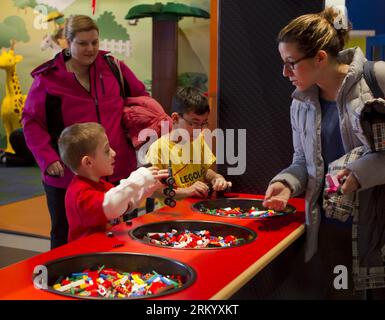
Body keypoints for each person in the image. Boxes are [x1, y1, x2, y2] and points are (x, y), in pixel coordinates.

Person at [262, 7, 385, 299]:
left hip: (376, 227)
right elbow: (303, 162)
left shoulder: (376, 78)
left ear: (319, 57)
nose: (285, 72)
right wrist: (286, 184)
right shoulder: (300, 102)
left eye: (292, 63)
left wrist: (359, 173)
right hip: (329, 230)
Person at [22, 15, 148, 249]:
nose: (90, 49)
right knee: (65, 238)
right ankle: (60, 283)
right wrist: (47, 158)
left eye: (94, 42)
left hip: (116, 168)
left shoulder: (113, 67)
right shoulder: (48, 79)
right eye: (82, 43)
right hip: (68, 176)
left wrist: (140, 132)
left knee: (122, 234)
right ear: (67, 43)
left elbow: (142, 99)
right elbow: (31, 121)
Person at [57, 122, 167, 242]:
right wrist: (140, 177)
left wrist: (147, 188)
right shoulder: (80, 195)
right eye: (106, 150)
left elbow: (124, 205)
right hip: (88, 257)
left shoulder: (103, 185)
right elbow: (111, 206)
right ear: (88, 162)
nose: (113, 153)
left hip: (108, 250)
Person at [146, 86, 231, 200]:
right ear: (175, 118)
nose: (199, 129)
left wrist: (216, 178)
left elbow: (204, 171)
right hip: (174, 213)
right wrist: (187, 191)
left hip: (199, 207)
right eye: (194, 123)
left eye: (203, 123)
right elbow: (154, 191)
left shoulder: (197, 139)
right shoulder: (158, 149)